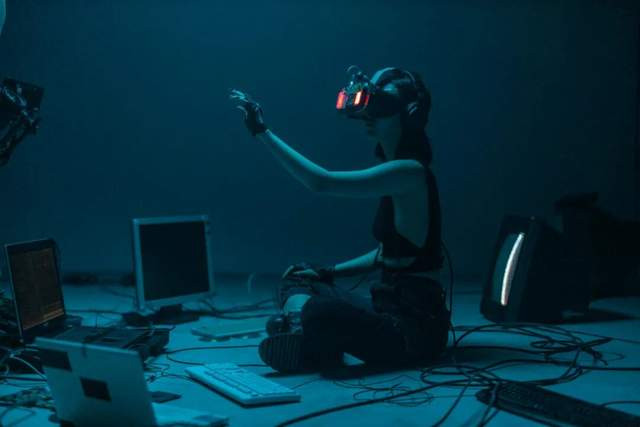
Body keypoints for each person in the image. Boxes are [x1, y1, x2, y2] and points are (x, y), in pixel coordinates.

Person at [229, 66, 450, 373]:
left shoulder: (409, 173)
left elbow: (322, 182)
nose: (370, 115)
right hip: (384, 307)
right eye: (371, 106)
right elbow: (386, 253)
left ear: (410, 115)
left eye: (383, 107)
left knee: (321, 311)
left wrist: (263, 133)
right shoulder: (397, 173)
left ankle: (304, 334)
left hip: (410, 332)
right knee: (300, 277)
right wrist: (328, 273)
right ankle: (305, 335)